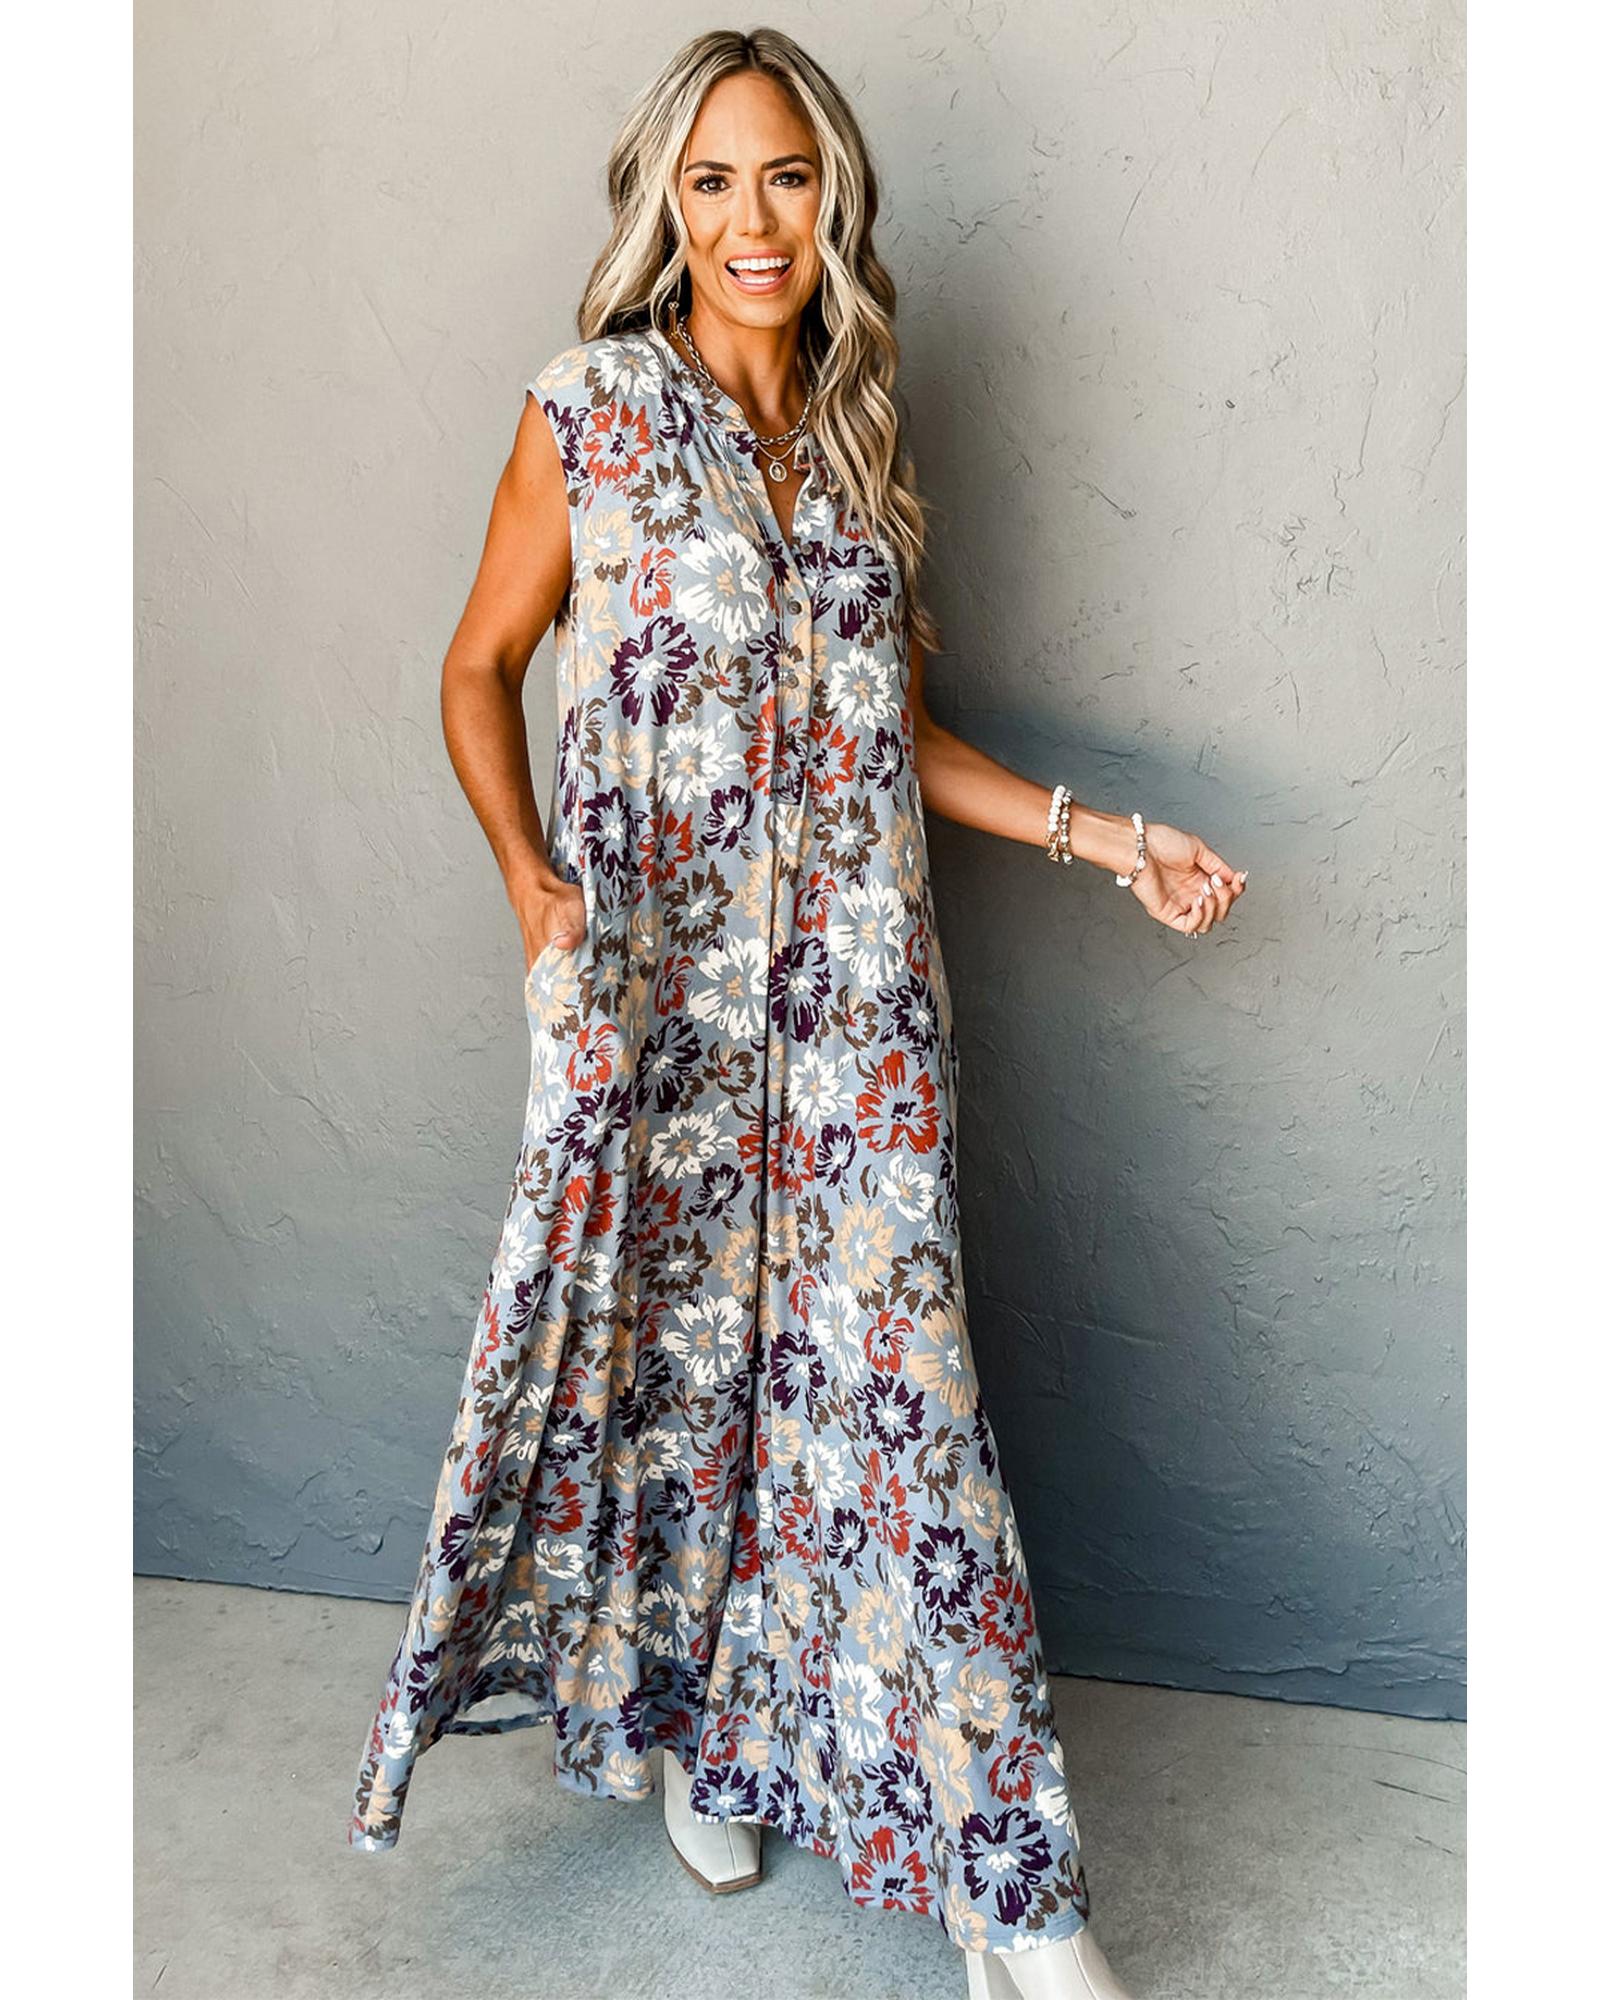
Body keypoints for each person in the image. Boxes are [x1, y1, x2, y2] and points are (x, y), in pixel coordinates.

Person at [347, 28, 1246, 2000]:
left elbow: (892, 732)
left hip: (855, 1018)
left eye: (784, 176)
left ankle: (1020, 1902)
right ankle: (699, 1736)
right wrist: (532, 890)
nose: (751, 220)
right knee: (672, 1388)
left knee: (901, 1406)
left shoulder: (857, 437)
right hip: (652, 999)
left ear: (830, 192)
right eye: (711, 181)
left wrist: (1105, 836)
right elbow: (477, 666)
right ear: (663, 207)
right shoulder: (588, 412)